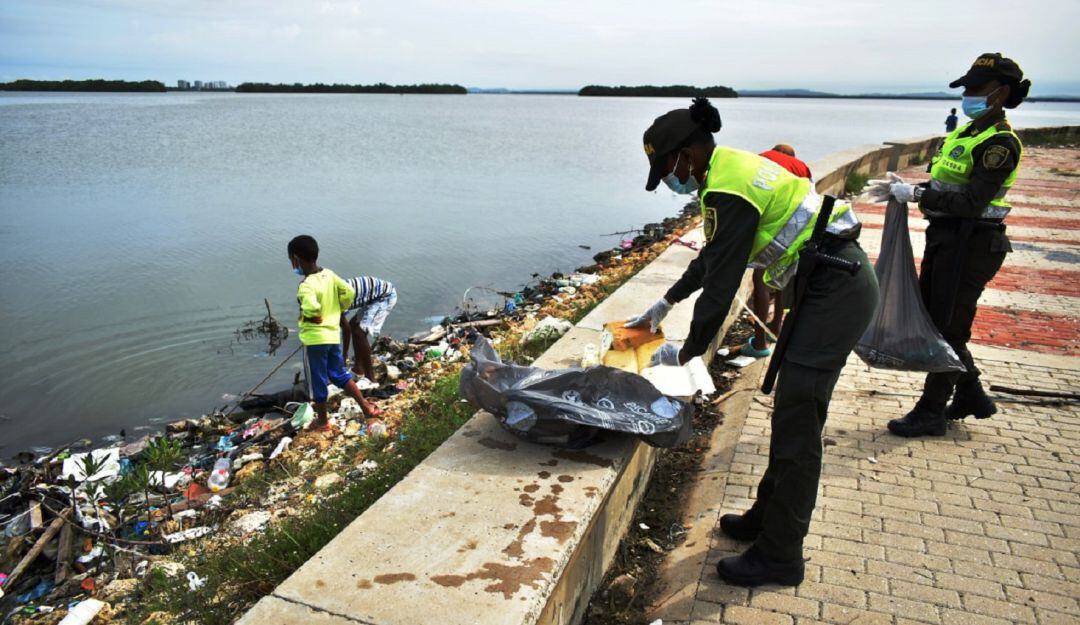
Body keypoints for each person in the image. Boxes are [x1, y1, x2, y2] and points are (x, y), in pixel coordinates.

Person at [626, 98, 879, 586]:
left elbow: (721, 289)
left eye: (668, 167)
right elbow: (713, 261)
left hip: (834, 292)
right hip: (825, 283)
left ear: (688, 153)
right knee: (791, 415)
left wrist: (684, 356)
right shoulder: (730, 170)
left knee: (798, 427)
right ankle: (767, 517)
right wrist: (665, 302)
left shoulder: (727, 189)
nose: (670, 178)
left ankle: (782, 556)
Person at [865, 53, 1030, 438]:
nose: (968, 95)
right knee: (940, 320)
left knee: (947, 328)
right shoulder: (966, 134)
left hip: (972, 245)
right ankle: (971, 394)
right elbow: (947, 188)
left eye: (976, 89)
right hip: (946, 239)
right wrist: (910, 190)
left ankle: (932, 411)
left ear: (1000, 93)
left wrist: (917, 196)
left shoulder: (1000, 144)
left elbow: (972, 204)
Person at [288, 235, 381, 429]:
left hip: (314, 340)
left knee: (317, 380)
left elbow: (311, 306)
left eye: (291, 260)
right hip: (332, 336)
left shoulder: (306, 286)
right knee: (339, 373)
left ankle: (322, 421)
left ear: (296, 259)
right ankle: (365, 407)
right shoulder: (329, 275)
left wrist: (312, 314)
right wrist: (339, 308)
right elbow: (349, 292)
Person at [743, 144, 815, 358]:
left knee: (761, 278)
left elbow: (750, 189)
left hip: (770, 221)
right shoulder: (802, 167)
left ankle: (759, 342)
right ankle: (776, 327)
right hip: (796, 225)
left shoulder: (762, 159)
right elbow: (811, 199)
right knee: (783, 274)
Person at [341, 275, 397, 383]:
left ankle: (371, 379)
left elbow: (345, 329)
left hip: (385, 295)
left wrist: (344, 355)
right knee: (354, 325)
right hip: (373, 297)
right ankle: (358, 369)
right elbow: (347, 326)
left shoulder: (333, 299)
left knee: (359, 332)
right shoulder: (328, 292)